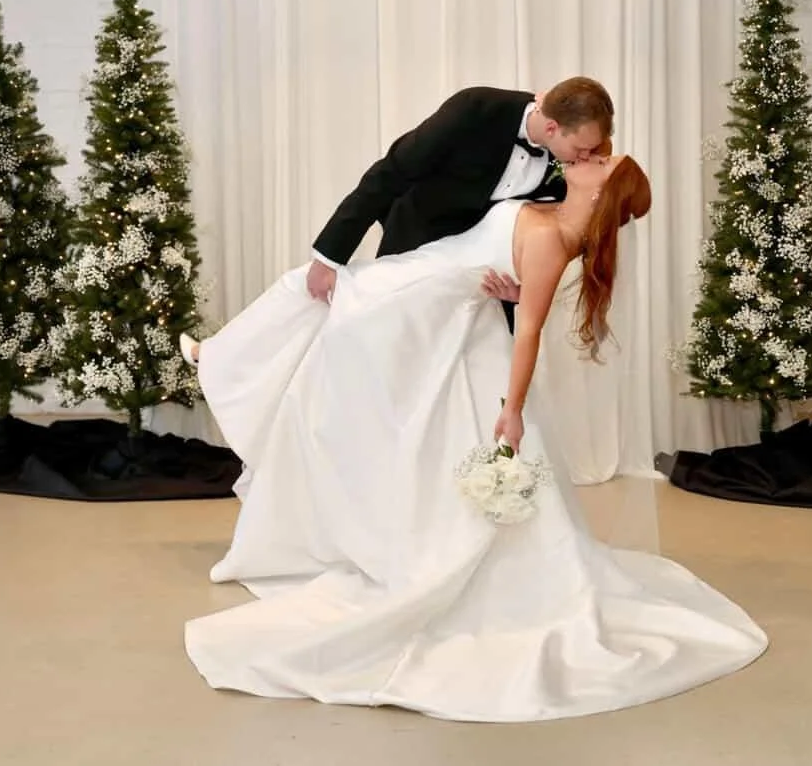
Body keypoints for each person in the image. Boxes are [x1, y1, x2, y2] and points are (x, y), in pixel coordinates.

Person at [179, 150, 768, 723]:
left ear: (597, 192)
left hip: (419, 302)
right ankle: (232, 374)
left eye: (598, 164)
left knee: (320, 327)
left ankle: (228, 372)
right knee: (315, 321)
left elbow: (530, 333)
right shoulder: (545, 204)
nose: (589, 158)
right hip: (424, 291)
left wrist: (512, 411)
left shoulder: (549, 242)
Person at [303, 77, 615, 314]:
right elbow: (392, 171)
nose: (584, 157)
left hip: (479, 288)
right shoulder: (474, 109)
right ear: (551, 127)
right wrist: (330, 257)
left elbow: (556, 231)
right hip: (415, 245)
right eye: (580, 149)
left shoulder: (569, 165)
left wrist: (526, 289)